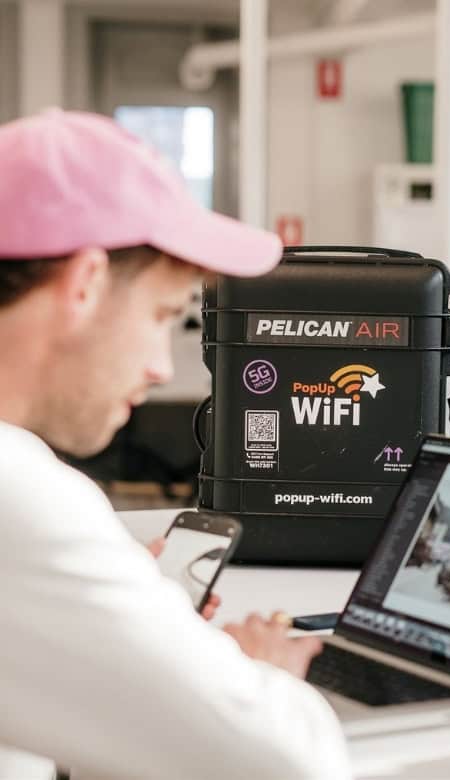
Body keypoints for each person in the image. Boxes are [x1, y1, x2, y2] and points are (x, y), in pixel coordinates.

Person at [0, 110, 352, 780]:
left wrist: (124, 618)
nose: (163, 366)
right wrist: (258, 673)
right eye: (163, 314)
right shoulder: (19, 495)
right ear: (84, 284)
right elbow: (288, 764)